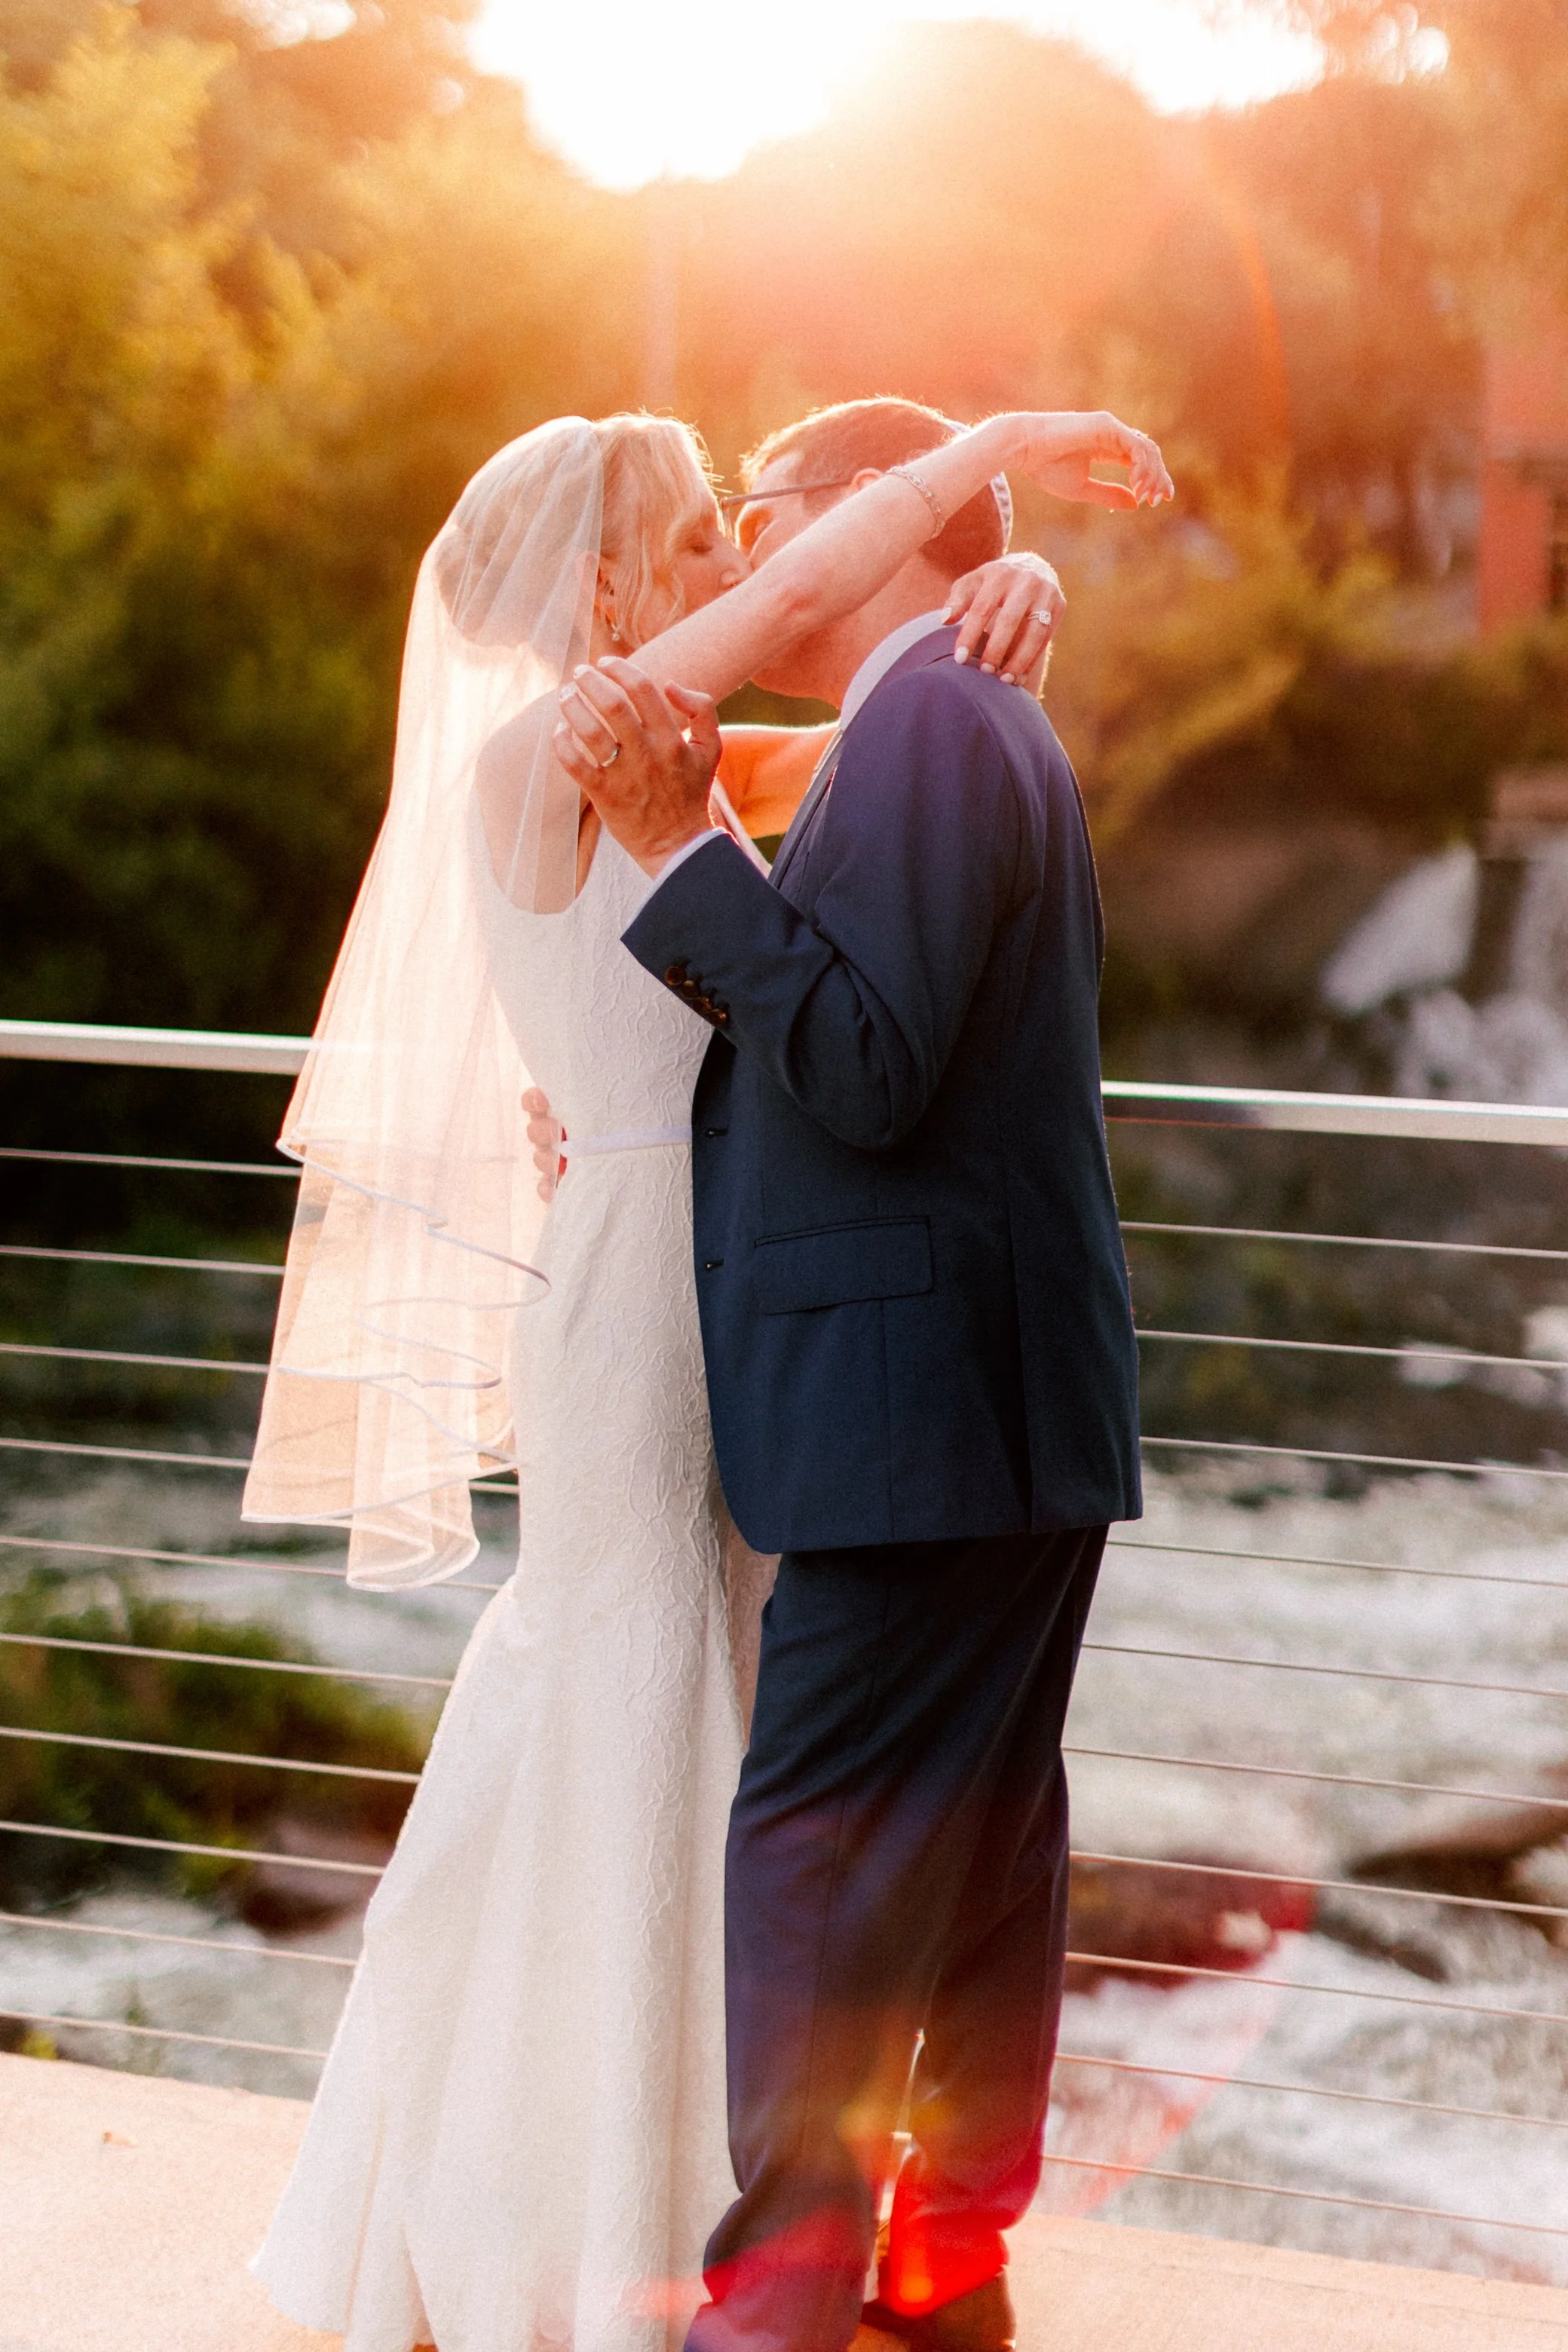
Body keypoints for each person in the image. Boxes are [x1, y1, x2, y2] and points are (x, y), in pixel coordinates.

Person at [243, 402, 1163, 2352]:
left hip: (765, 1288)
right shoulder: (568, 742)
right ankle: (625, 2211)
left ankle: (743, 2226)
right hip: (664, 1303)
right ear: (596, 585)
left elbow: (895, 771)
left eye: (747, 536)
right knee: (673, 1704)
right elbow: (833, 675)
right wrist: (986, 462)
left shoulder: (719, 737)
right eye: (696, 545)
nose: (740, 571)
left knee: (763, 1747)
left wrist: (1000, 571)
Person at [553, 397, 1162, 2352]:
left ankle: (779, 2306)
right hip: (1006, 1397)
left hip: (917, 1407)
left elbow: (870, 1065)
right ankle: (945, 2262)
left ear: (874, 528)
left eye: (768, 510)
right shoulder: (960, 710)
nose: (751, 548)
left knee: (814, 1861)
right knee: (984, 1860)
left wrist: (671, 843)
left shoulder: (929, 719)